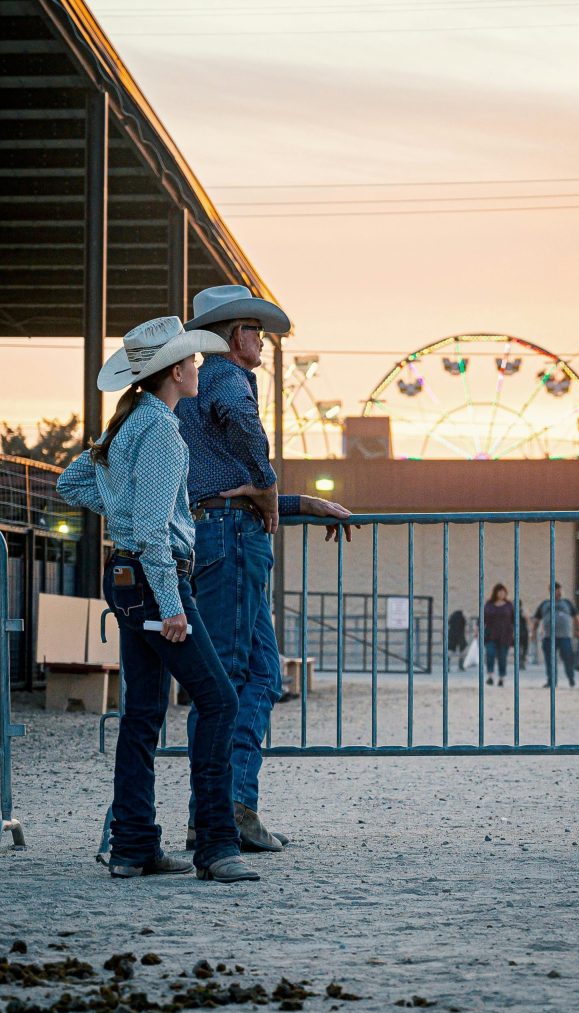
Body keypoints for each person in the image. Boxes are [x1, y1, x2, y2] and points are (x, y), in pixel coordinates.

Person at [57, 315, 259, 883]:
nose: (199, 367)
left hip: (125, 579)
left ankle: (134, 846)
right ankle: (217, 846)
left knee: (143, 713)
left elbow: (71, 484)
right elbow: (150, 528)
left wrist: (120, 512)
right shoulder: (164, 434)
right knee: (218, 701)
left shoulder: (129, 425)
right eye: (193, 361)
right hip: (154, 580)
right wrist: (171, 603)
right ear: (175, 370)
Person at [177, 284, 354, 853]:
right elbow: (247, 468)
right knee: (234, 677)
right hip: (231, 536)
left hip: (226, 530)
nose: (261, 338)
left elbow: (232, 481)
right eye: (254, 329)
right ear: (234, 336)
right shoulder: (228, 379)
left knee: (258, 675)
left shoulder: (204, 386)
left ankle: (233, 804)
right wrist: (275, 489)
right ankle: (216, 813)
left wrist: (299, 502)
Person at [531, 582, 579, 689]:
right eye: (556, 590)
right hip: (549, 637)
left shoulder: (567, 603)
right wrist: (533, 632)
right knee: (550, 661)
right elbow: (536, 620)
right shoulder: (544, 604)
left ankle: (571, 678)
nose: (559, 592)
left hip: (565, 637)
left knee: (568, 659)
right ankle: (551, 681)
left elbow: (577, 617)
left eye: (560, 590)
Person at [484, 583, 514, 687]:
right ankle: (490, 676)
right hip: (490, 634)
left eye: (503, 591)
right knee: (490, 654)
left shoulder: (509, 605)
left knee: (502, 657)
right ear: (495, 593)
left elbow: (514, 620)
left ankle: (501, 678)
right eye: (499, 591)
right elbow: (482, 618)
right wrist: (477, 630)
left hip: (505, 635)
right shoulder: (489, 604)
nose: (502, 593)